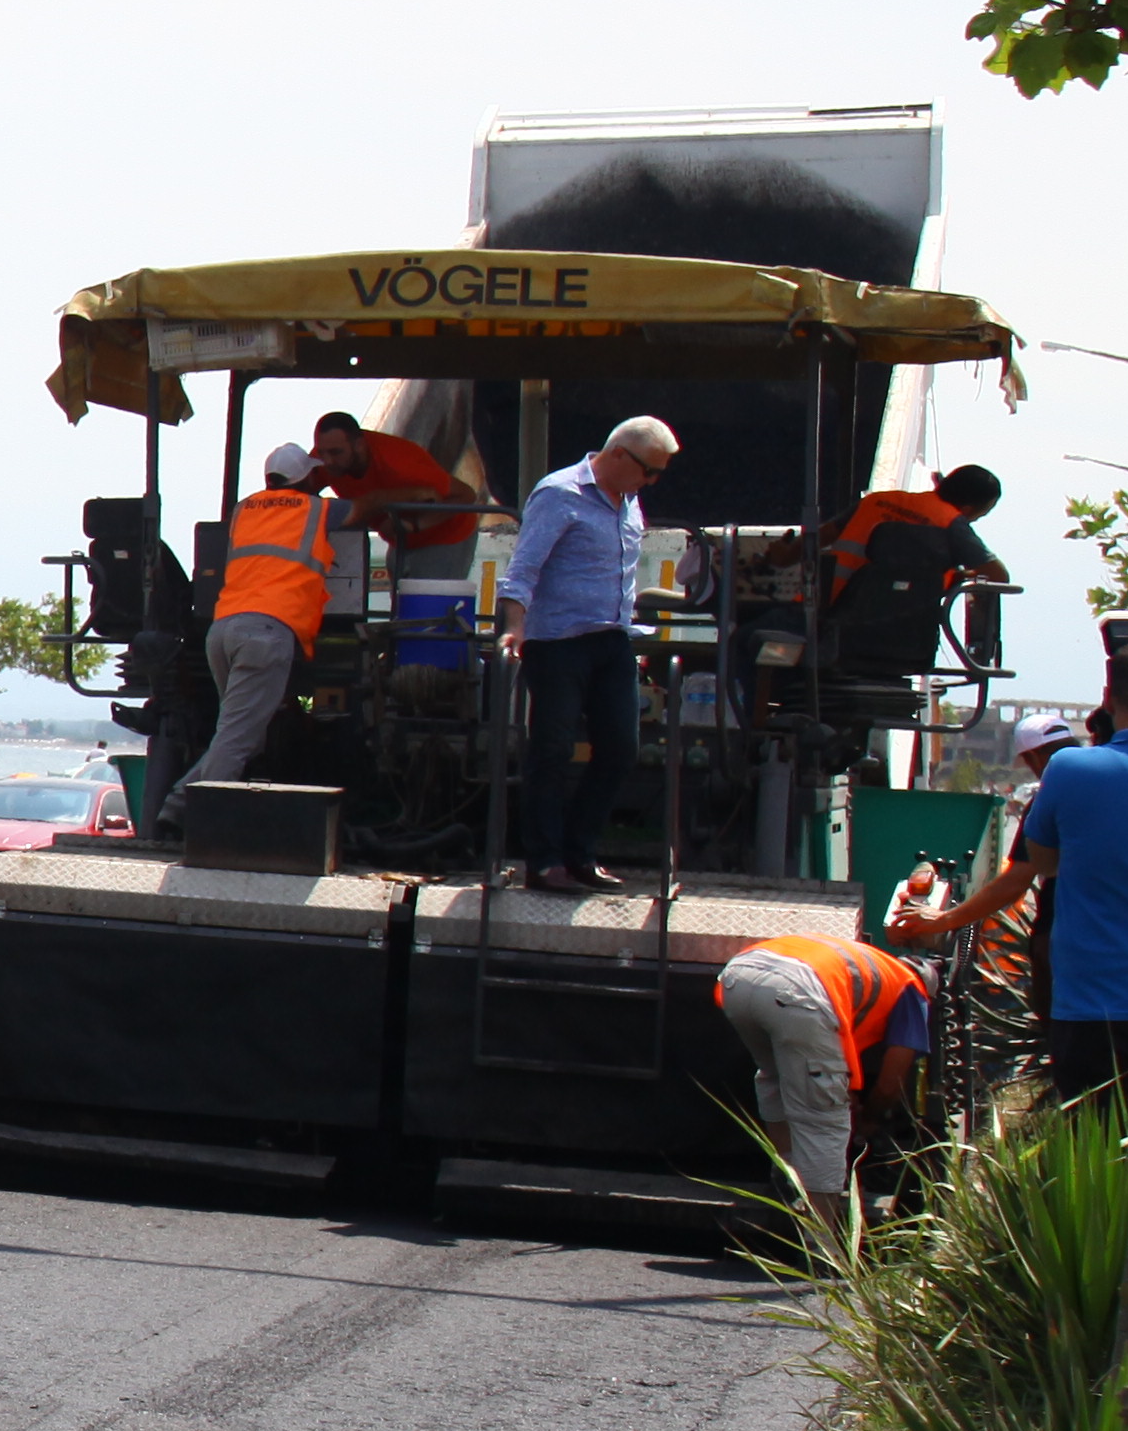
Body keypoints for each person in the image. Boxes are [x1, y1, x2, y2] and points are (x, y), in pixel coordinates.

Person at [888, 642, 1128, 1116]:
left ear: (1108, 698)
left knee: (1097, 1152)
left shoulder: (1070, 770)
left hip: (1095, 1004)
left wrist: (942, 920)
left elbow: (1039, 859)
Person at [502, 414, 677, 891]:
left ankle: (580, 852)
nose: (651, 482)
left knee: (621, 748)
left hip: (612, 637)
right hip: (559, 641)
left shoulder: (629, 502)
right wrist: (515, 627)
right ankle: (543, 860)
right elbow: (525, 565)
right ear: (618, 455)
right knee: (552, 749)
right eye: (648, 471)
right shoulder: (560, 494)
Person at [713, 925, 932, 1235]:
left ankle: (788, 1177)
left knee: (775, 1078)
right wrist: (870, 1118)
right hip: (796, 991)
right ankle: (823, 1245)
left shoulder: (867, 966)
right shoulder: (912, 989)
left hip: (738, 978)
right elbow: (892, 1078)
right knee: (824, 1116)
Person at [187, 441, 336, 785]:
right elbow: (366, 509)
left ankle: (176, 806)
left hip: (223, 630)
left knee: (240, 735)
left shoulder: (244, 509)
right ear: (308, 477)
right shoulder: (317, 509)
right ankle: (191, 814)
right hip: (265, 635)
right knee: (238, 738)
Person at [819, 463, 1007, 668]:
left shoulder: (876, 501)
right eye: (980, 515)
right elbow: (999, 576)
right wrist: (960, 576)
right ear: (967, 509)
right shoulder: (951, 523)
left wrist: (782, 554)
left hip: (824, 613)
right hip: (896, 633)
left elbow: (815, 539)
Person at [306, 411, 475, 535]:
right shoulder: (320, 459)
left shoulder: (400, 463)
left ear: (359, 445)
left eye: (336, 453)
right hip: (398, 542)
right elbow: (299, 495)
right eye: (322, 453)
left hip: (448, 536)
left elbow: (466, 495)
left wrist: (414, 525)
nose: (327, 461)